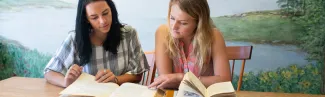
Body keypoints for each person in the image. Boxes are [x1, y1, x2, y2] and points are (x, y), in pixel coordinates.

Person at [44, 0, 149, 88]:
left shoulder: (129, 34)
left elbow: (137, 74)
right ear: (86, 19)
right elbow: (50, 72)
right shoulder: (75, 39)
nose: (103, 21)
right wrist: (65, 82)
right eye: (94, 17)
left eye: (105, 13)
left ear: (112, 10)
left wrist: (116, 79)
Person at [148, 0, 231, 89]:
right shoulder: (163, 32)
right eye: (172, 18)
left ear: (199, 23)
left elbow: (225, 81)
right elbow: (165, 82)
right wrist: (201, 81)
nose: (174, 26)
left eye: (183, 23)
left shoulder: (214, 36)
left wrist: (181, 77)